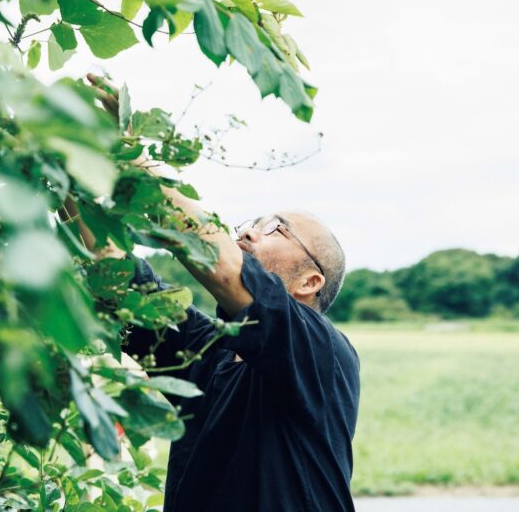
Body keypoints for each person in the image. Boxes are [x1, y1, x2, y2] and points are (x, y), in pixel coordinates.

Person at [65, 75, 361, 512]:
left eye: (271, 226)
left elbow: (222, 265)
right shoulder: (209, 360)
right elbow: (112, 271)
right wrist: (68, 157)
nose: (245, 230)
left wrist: (131, 150)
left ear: (309, 282)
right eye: (249, 221)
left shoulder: (320, 351)